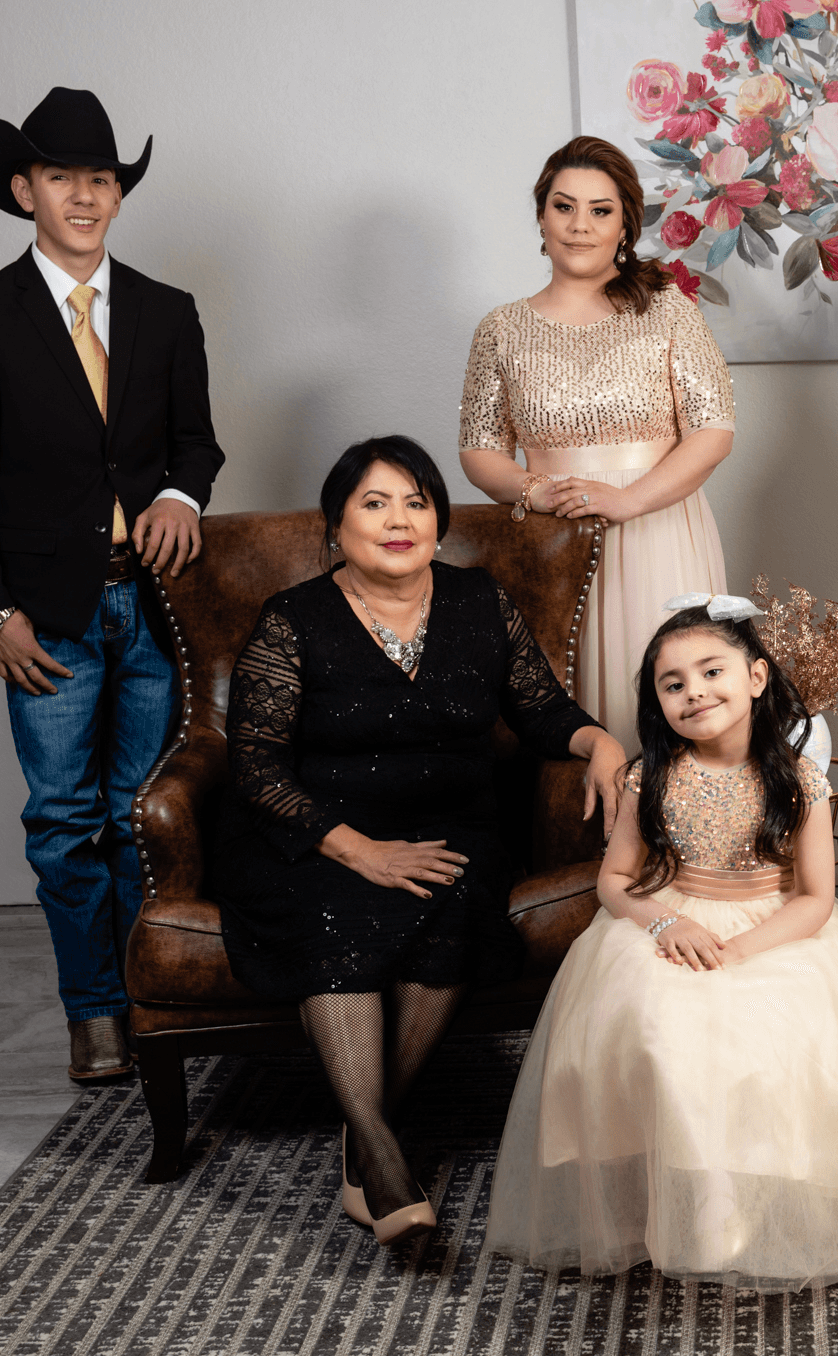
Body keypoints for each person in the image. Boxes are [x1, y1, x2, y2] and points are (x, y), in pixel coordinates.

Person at [210, 437, 627, 1247]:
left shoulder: (480, 600)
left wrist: (600, 743)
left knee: (456, 903)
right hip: (314, 832)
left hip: (449, 824)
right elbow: (256, 768)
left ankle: (363, 1139)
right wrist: (359, 850)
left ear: (438, 521)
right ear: (335, 527)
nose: (398, 519)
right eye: (374, 503)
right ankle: (381, 1151)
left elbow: (542, 710)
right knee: (337, 917)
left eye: (416, 501)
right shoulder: (293, 619)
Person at [484, 597, 838, 1288]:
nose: (694, 691)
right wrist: (664, 924)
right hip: (670, 918)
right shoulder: (650, 775)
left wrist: (741, 951)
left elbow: (816, 897)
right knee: (657, 1022)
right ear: (658, 703)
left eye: (711, 672)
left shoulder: (799, 779)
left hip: (775, 930)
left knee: (771, 1039)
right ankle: (687, 1189)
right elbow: (614, 880)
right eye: (673, 684)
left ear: (756, 677)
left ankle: (737, 1189)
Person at [0, 87, 224, 1085]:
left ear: (118, 193)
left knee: (144, 815)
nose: (85, 196)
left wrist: (180, 493)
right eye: (62, 178)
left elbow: (196, 442)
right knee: (64, 823)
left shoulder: (166, 312)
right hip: (44, 618)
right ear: (26, 191)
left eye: (101, 178)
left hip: (152, 605)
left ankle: (150, 996)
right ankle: (93, 1010)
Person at [458, 136, 736, 747]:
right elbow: (479, 448)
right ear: (541, 217)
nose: (580, 225)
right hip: (553, 535)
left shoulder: (668, 310)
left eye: (600, 210)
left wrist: (628, 500)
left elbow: (713, 430)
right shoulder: (501, 328)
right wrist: (536, 489)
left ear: (625, 224)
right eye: (564, 207)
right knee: (564, 711)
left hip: (658, 530)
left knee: (670, 704)